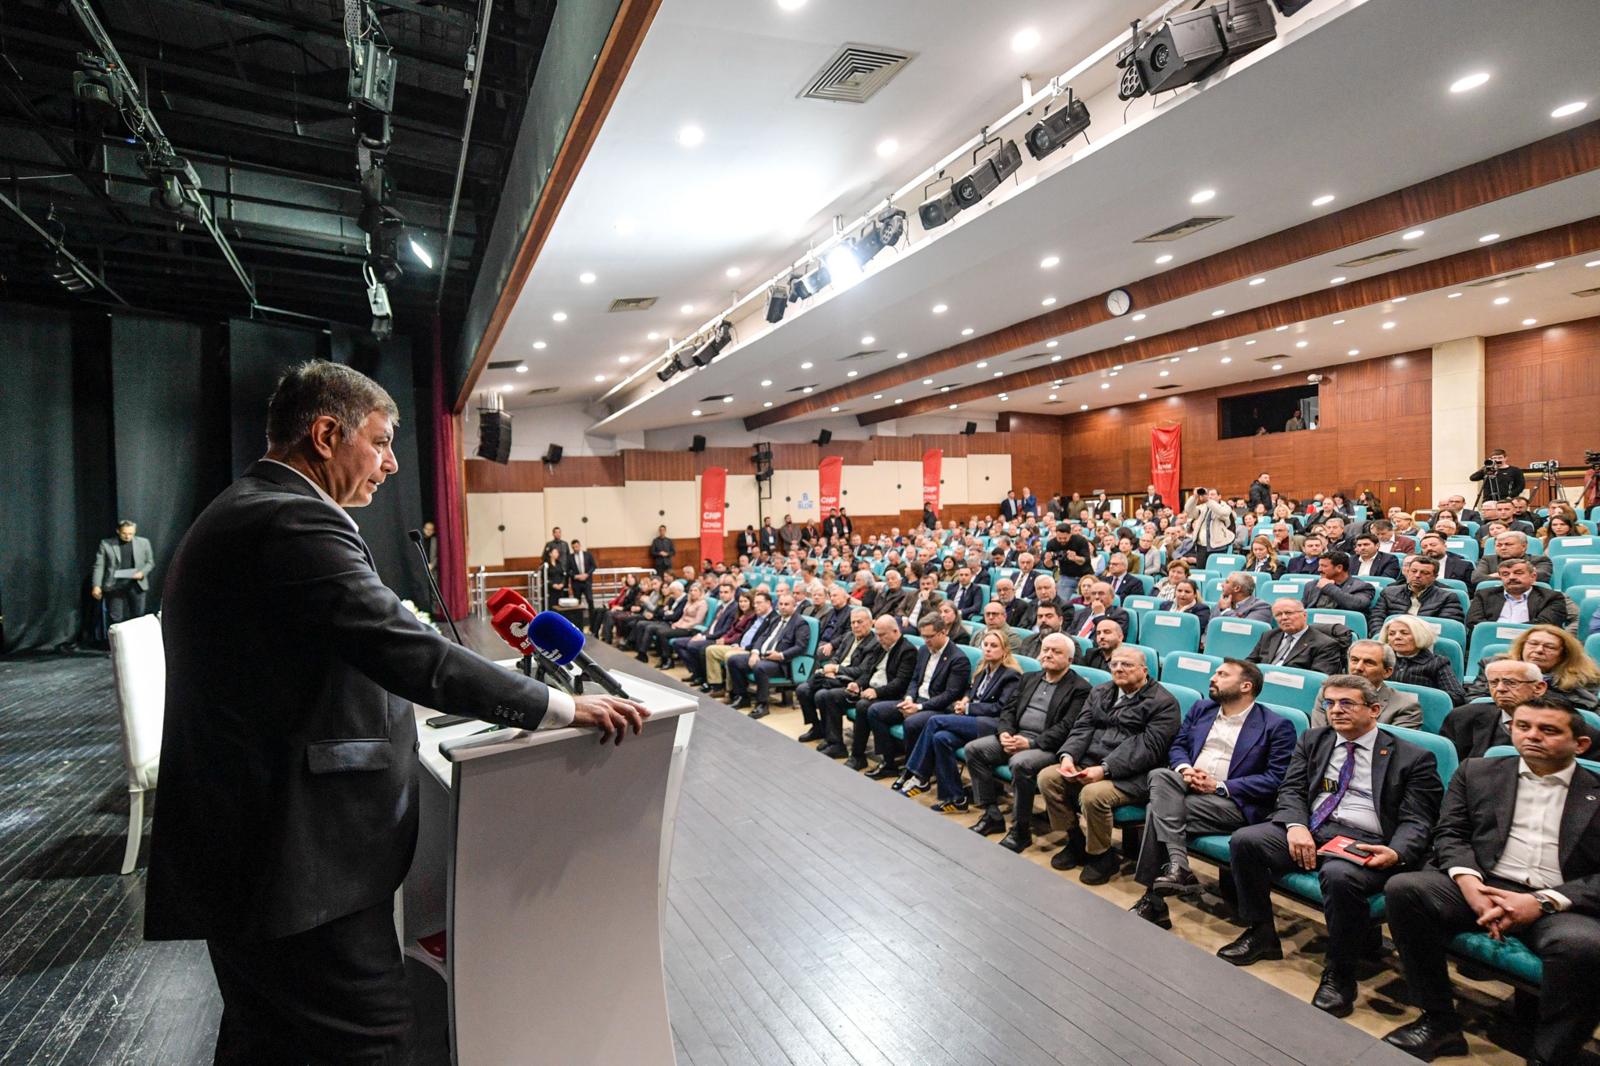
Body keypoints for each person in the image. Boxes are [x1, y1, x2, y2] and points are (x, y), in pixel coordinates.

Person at [144, 361, 646, 1065]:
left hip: (259, 855)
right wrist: (560, 707)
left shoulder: (255, 508)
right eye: (380, 442)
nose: (391, 463)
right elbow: (403, 649)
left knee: (271, 1043)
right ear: (325, 434)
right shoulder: (292, 517)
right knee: (366, 1041)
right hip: (293, 864)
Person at [1382, 698, 1600, 1065]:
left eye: (1548, 730)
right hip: (1484, 882)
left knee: (1587, 947)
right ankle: (1438, 1021)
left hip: (1560, 901)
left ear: (1580, 744)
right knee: (1405, 889)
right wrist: (1470, 884)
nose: (1532, 736)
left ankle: (1550, 1054)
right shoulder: (1478, 771)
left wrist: (1543, 901)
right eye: (1523, 726)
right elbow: (1450, 833)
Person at [1217, 675, 1443, 1017]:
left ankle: (1340, 973)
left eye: (1347, 703)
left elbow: (1419, 820)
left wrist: (1396, 852)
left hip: (1368, 839)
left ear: (1375, 710)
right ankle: (1261, 934)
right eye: (1330, 703)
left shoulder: (1412, 758)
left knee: (1339, 876)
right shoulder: (1314, 739)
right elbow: (1291, 790)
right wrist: (1295, 826)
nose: (1336, 710)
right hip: (1316, 827)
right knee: (1247, 841)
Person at [1129, 660, 1297, 930]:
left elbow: (1276, 779)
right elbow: (1179, 745)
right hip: (1187, 789)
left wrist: (1219, 785)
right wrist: (1185, 770)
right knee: (1160, 775)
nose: (1213, 677)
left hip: (1234, 802)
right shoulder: (1202, 709)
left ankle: (1155, 899)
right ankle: (1178, 867)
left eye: (1222, 674)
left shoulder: (1276, 725)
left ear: (1246, 686)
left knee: (1155, 810)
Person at [1036, 646, 1181, 883]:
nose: (1118, 669)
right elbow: (1082, 727)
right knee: (1048, 777)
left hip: (1134, 775)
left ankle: (1102, 855)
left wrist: (1104, 770)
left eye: (1126, 665)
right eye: (1114, 664)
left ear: (1144, 670)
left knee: (1094, 795)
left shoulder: (1163, 703)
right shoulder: (1101, 691)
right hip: (1090, 763)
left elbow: (1148, 748)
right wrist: (1068, 757)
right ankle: (1075, 841)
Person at [965, 635, 1092, 851]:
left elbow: (1067, 727)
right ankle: (992, 813)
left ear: (1070, 660)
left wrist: (1031, 743)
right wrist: (1005, 732)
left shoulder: (1079, 688)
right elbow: (1009, 710)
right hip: (1016, 738)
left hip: (1046, 747)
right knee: (974, 750)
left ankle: (1020, 831)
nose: (1048, 654)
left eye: (1056, 651)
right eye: (1045, 649)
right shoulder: (1029, 678)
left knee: (1020, 763)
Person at [897, 631, 1022, 810]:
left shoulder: (1011, 675)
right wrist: (965, 700)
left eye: (994, 646)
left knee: (934, 721)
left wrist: (968, 708)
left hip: (991, 724)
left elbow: (1001, 709)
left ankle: (918, 774)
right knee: (941, 738)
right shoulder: (982, 670)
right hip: (972, 719)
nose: (988, 649)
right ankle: (956, 798)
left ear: (1005, 650)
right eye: (986, 645)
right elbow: (971, 692)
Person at [850, 614, 971, 778]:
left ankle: (912, 769)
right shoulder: (923, 650)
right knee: (875, 711)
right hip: (915, 700)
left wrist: (919, 707)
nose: (926, 640)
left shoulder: (958, 659)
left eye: (930, 637)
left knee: (912, 722)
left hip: (937, 707)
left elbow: (950, 695)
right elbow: (915, 680)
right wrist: (909, 698)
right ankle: (888, 763)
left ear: (943, 633)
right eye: (923, 636)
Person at [814, 615, 918, 759]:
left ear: (895, 631)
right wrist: (858, 684)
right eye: (878, 634)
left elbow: (900, 682)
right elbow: (868, 671)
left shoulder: (907, 651)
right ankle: (836, 744)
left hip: (888, 695)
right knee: (829, 695)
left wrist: (877, 692)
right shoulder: (882, 646)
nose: (879, 638)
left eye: (882, 635)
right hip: (869, 689)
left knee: (863, 706)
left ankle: (858, 756)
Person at [795, 607, 879, 743]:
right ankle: (817, 727)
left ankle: (833, 740)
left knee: (821, 694)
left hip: (851, 681)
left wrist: (836, 669)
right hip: (834, 676)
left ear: (870, 623)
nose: (855, 626)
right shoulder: (849, 636)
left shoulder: (874, 643)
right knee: (802, 690)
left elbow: (862, 671)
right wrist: (830, 670)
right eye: (853, 622)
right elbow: (836, 657)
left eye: (860, 622)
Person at [724, 590, 809, 717]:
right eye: (781, 604)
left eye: (787, 604)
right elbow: (762, 637)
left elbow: (800, 647)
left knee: (760, 667)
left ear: (794, 606)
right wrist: (755, 652)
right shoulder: (776, 619)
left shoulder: (800, 623)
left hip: (781, 662)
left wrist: (780, 655)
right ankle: (742, 697)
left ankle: (762, 704)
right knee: (734, 660)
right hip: (763, 656)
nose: (783, 607)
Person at [1310, 640, 1422, 729]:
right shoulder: (1327, 693)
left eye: (1369, 663)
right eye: (1354, 660)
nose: (1358, 668)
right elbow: (1317, 736)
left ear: (1387, 672)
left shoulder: (1405, 705)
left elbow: (1393, 749)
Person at [1501, 624, 1600, 711]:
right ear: (1522, 646)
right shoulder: (1495, 667)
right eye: (1533, 643)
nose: (1539, 650)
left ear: (1564, 654)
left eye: (1550, 647)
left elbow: (1587, 707)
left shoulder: (1583, 680)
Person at [1379, 615, 1467, 706]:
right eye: (1391, 634)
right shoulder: (1381, 659)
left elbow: (1457, 697)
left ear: (1419, 636)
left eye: (1404, 633)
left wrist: (1425, 698)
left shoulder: (1437, 663)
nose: (1397, 637)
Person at [677, 589, 754, 688]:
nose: (742, 604)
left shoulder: (747, 615)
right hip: (720, 638)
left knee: (701, 649)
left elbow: (740, 634)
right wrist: (704, 635)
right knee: (679, 643)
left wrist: (724, 640)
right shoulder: (727, 609)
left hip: (731, 642)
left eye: (745, 601)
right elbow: (730, 630)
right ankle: (700, 675)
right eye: (741, 601)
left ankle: (712, 683)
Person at [1465, 558, 1568, 631]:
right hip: (1491, 641)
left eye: (1518, 573)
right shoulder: (1484, 595)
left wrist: (1508, 632)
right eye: (1505, 574)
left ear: (1533, 577)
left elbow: (1545, 625)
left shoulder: (1552, 597)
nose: (1511, 577)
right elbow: (1473, 622)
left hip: (1532, 643)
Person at [1367, 555, 1464, 632]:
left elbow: (1445, 628)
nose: (1417, 575)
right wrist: (1383, 637)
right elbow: (1376, 619)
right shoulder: (1388, 592)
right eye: (1414, 571)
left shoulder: (1447, 597)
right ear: (1408, 572)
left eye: (1424, 573)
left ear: (1434, 577)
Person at [1247, 599, 1345, 673]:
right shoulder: (1269, 635)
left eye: (1289, 613)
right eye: (1278, 615)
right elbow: (1250, 662)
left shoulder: (1325, 644)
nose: (1284, 618)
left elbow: (1317, 680)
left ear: (1304, 615)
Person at [92, 519, 155, 624]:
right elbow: (99, 566)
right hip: (115, 585)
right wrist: (96, 585)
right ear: (118, 531)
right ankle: (117, 640)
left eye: (130, 533)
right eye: (124, 533)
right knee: (115, 618)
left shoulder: (143, 543)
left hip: (136, 585)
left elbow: (150, 562)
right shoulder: (106, 544)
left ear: (135, 531)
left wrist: (142, 573)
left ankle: (136, 640)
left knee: (138, 617)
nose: (127, 536)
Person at [1302, 551, 1377, 613]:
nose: (1319, 569)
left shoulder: (1362, 586)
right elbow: (1302, 610)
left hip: (1343, 628)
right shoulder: (1311, 585)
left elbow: (1357, 605)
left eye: (1324, 566)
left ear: (1339, 568)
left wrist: (1328, 587)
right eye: (1319, 565)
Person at [1472, 530, 1554, 585]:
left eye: (1508, 544)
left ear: (1524, 546)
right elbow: (1476, 578)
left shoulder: (1540, 560)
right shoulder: (1488, 560)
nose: (1503, 548)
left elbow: (1540, 577)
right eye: (1499, 545)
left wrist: (1497, 575)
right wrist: (1520, 575)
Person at [1184, 487, 1235, 569]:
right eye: (1208, 494)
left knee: (1216, 570)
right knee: (1202, 570)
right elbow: (1189, 511)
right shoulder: (1202, 507)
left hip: (1218, 546)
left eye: (1212, 494)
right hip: (1201, 546)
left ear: (1219, 496)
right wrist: (1194, 497)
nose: (1210, 496)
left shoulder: (1225, 506)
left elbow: (1222, 512)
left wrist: (1208, 500)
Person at [1066, 580, 1131, 641]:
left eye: (1101, 593)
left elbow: (1112, 639)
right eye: (1093, 594)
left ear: (1112, 597)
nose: (1097, 597)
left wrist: (1100, 615)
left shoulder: (1120, 614)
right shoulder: (1081, 612)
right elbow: (1069, 634)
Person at [568, 539, 596, 616]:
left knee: (590, 600)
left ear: (580, 546)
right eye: (574, 547)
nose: (575, 548)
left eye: (577, 546)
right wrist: (575, 576)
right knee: (577, 602)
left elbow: (593, 566)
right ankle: (578, 621)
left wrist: (587, 574)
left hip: (587, 582)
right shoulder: (570, 557)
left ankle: (593, 621)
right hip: (576, 583)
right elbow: (568, 570)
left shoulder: (588, 555)